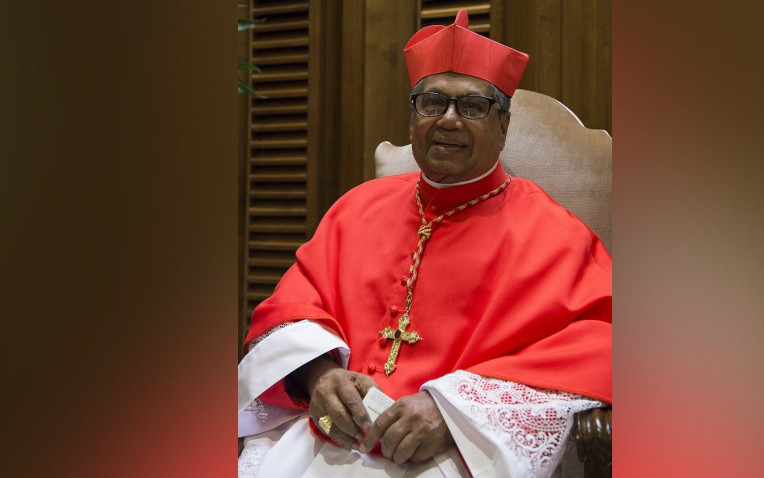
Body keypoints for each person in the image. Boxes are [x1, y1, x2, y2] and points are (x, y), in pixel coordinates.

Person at [238, 9, 611, 478]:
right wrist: (320, 375)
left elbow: (602, 342)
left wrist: (453, 411)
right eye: (432, 102)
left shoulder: (553, 233)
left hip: (454, 453)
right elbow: (289, 308)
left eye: (472, 107)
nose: (448, 120)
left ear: (503, 125)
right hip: (328, 439)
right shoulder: (356, 208)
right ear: (413, 117)